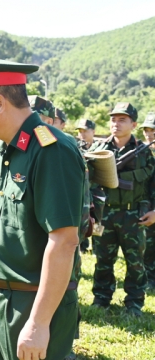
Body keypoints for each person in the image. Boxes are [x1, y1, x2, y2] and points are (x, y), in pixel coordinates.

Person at [0, 49, 85, 360]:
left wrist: (38, 323)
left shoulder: (51, 150)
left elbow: (64, 241)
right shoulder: (8, 150)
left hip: (30, 305)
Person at [89, 102, 155, 317]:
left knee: (135, 262)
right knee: (103, 260)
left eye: (122, 120)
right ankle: (101, 298)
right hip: (104, 214)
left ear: (134, 124)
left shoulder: (144, 154)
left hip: (133, 215)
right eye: (113, 119)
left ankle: (134, 304)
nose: (116, 124)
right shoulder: (99, 150)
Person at [139, 112, 155, 290]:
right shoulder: (141, 153)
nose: (149, 134)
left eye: (153, 130)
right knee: (148, 247)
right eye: (147, 130)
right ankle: (150, 278)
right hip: (146, 208)